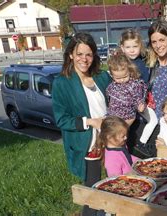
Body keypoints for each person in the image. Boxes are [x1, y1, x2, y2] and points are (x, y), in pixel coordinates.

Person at [52, 32, 111, 216]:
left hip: (111, 143)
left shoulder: (102, 77)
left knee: (114, 187)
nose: (84, 59)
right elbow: (61, 119)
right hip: (89, 146)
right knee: (92, 193)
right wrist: (91, 122)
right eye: (79, 54)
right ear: (71, 54)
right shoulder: (62, 82)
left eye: (88, 54)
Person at [134, 20, 167, 157]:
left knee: (163, 165)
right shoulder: (147, 62)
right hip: (147, 121)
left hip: (166, 122)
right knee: (143, 163)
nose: (158, 45)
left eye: (161, 40)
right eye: (154, 42)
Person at [105, 53, 157, 143]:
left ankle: (141, 143)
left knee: (120, 136)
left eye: (125, 76)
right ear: (112, 75)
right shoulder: (112, 86)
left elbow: (139, 97)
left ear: (129, 70)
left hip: (128, 115)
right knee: (112, 135)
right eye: (117, 78)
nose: (121, 80)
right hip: (114, 115)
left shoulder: (134, 84)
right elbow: (109, 97)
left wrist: (140, 105)